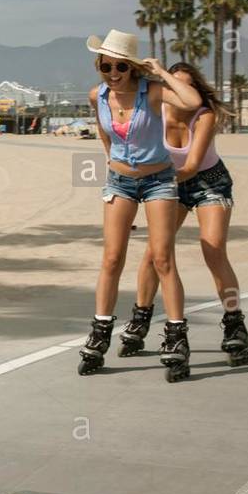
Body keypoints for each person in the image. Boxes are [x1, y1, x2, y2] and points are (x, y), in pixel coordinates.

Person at [78, 29, 201, 380]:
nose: (113, 73)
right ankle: (100, 334)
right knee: (112, 257)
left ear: (132, 68)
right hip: (119, 181)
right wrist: (113, 163)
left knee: (162, 258)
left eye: (120, 66)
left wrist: (160, 72)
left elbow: (192, 102)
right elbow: (104, 134)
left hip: (159, 180)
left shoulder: (154, 93)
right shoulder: (97, 96)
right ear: (98, 66)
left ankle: (176, 337)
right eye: (105, 66)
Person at [125, 62, 248, 366]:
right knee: (155, 254)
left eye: (185, 86)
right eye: (171, 86)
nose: (177, 93)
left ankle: (235, 324)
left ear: (193, 91)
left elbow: (192, 166)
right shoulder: (158, 113)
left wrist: (152, 181)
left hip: (209, 182)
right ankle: (140, 320)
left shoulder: (204, 116)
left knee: (213, 250)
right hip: (170, 182)